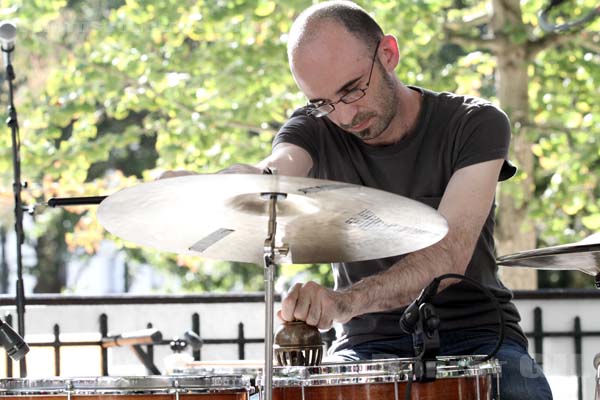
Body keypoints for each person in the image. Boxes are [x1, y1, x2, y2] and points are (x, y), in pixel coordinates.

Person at [164, 1, 552, 398]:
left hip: (478, 338)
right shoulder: (313, 128)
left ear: (388, 54)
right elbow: (275, 174)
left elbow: (448, 255)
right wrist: (225, 184)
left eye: (352, 90)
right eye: (324, 102)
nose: (345, 115)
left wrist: (343, 303)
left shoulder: (475, 123)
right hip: (364, 347)